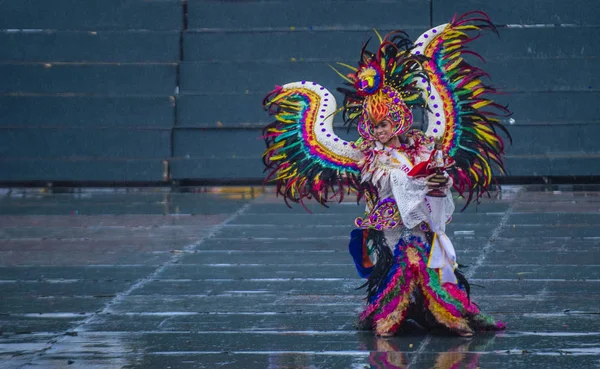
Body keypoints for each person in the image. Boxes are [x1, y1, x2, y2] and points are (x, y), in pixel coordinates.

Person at [261, 12, 510, 337]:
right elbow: (372, 172)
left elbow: (440, 175)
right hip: (391, 225)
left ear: (398, 121)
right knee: (408, 264)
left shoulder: (422, 146)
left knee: (432, 267)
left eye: (383, 124)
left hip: (422, 221)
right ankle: (395, 317)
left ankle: (447, 314)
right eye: (374, 125)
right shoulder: (367, 155)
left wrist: (439, 181)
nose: (378, 131)